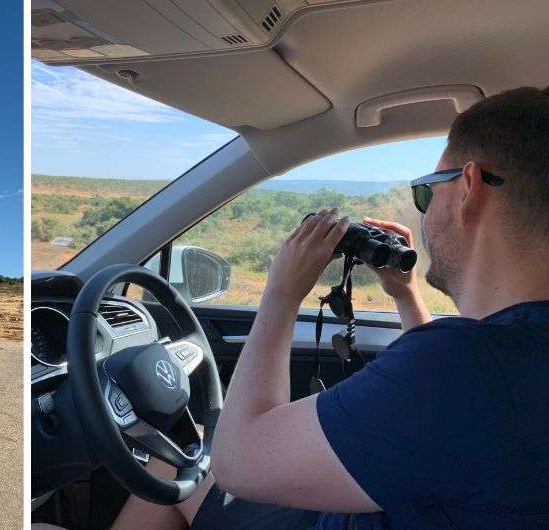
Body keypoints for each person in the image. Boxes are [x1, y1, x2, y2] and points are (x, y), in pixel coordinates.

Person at [37, 86, 549, 530]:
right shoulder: (507, 356)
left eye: (425, 191)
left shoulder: (462, 368)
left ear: (469, 188)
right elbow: (454, 411)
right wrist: (405, 296)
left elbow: (239, 461)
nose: (424, 208)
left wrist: (282, 294)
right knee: (184, 450)